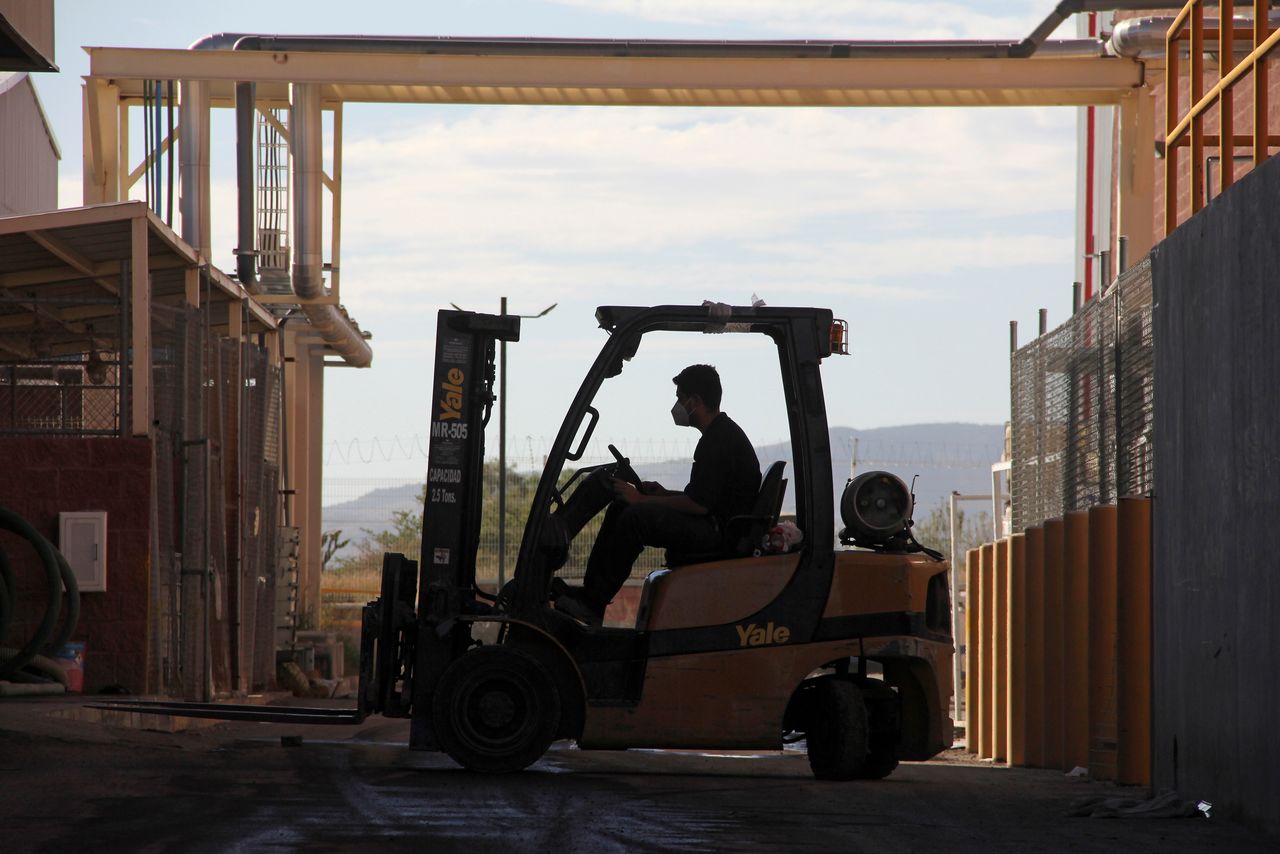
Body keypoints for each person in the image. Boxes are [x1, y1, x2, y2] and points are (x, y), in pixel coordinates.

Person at [555, 364, 761, 626]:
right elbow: (704, 497)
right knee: (622, 506)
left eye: (680, 398)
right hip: (715, 523)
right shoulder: (720, 434)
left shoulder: (718, 440)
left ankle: (593, 603)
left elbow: (698, 505)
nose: (677, 405)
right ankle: (591, 597)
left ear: (695, 401)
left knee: (635, 517)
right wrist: (662, 495)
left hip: (717, 533)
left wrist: (642, 500)